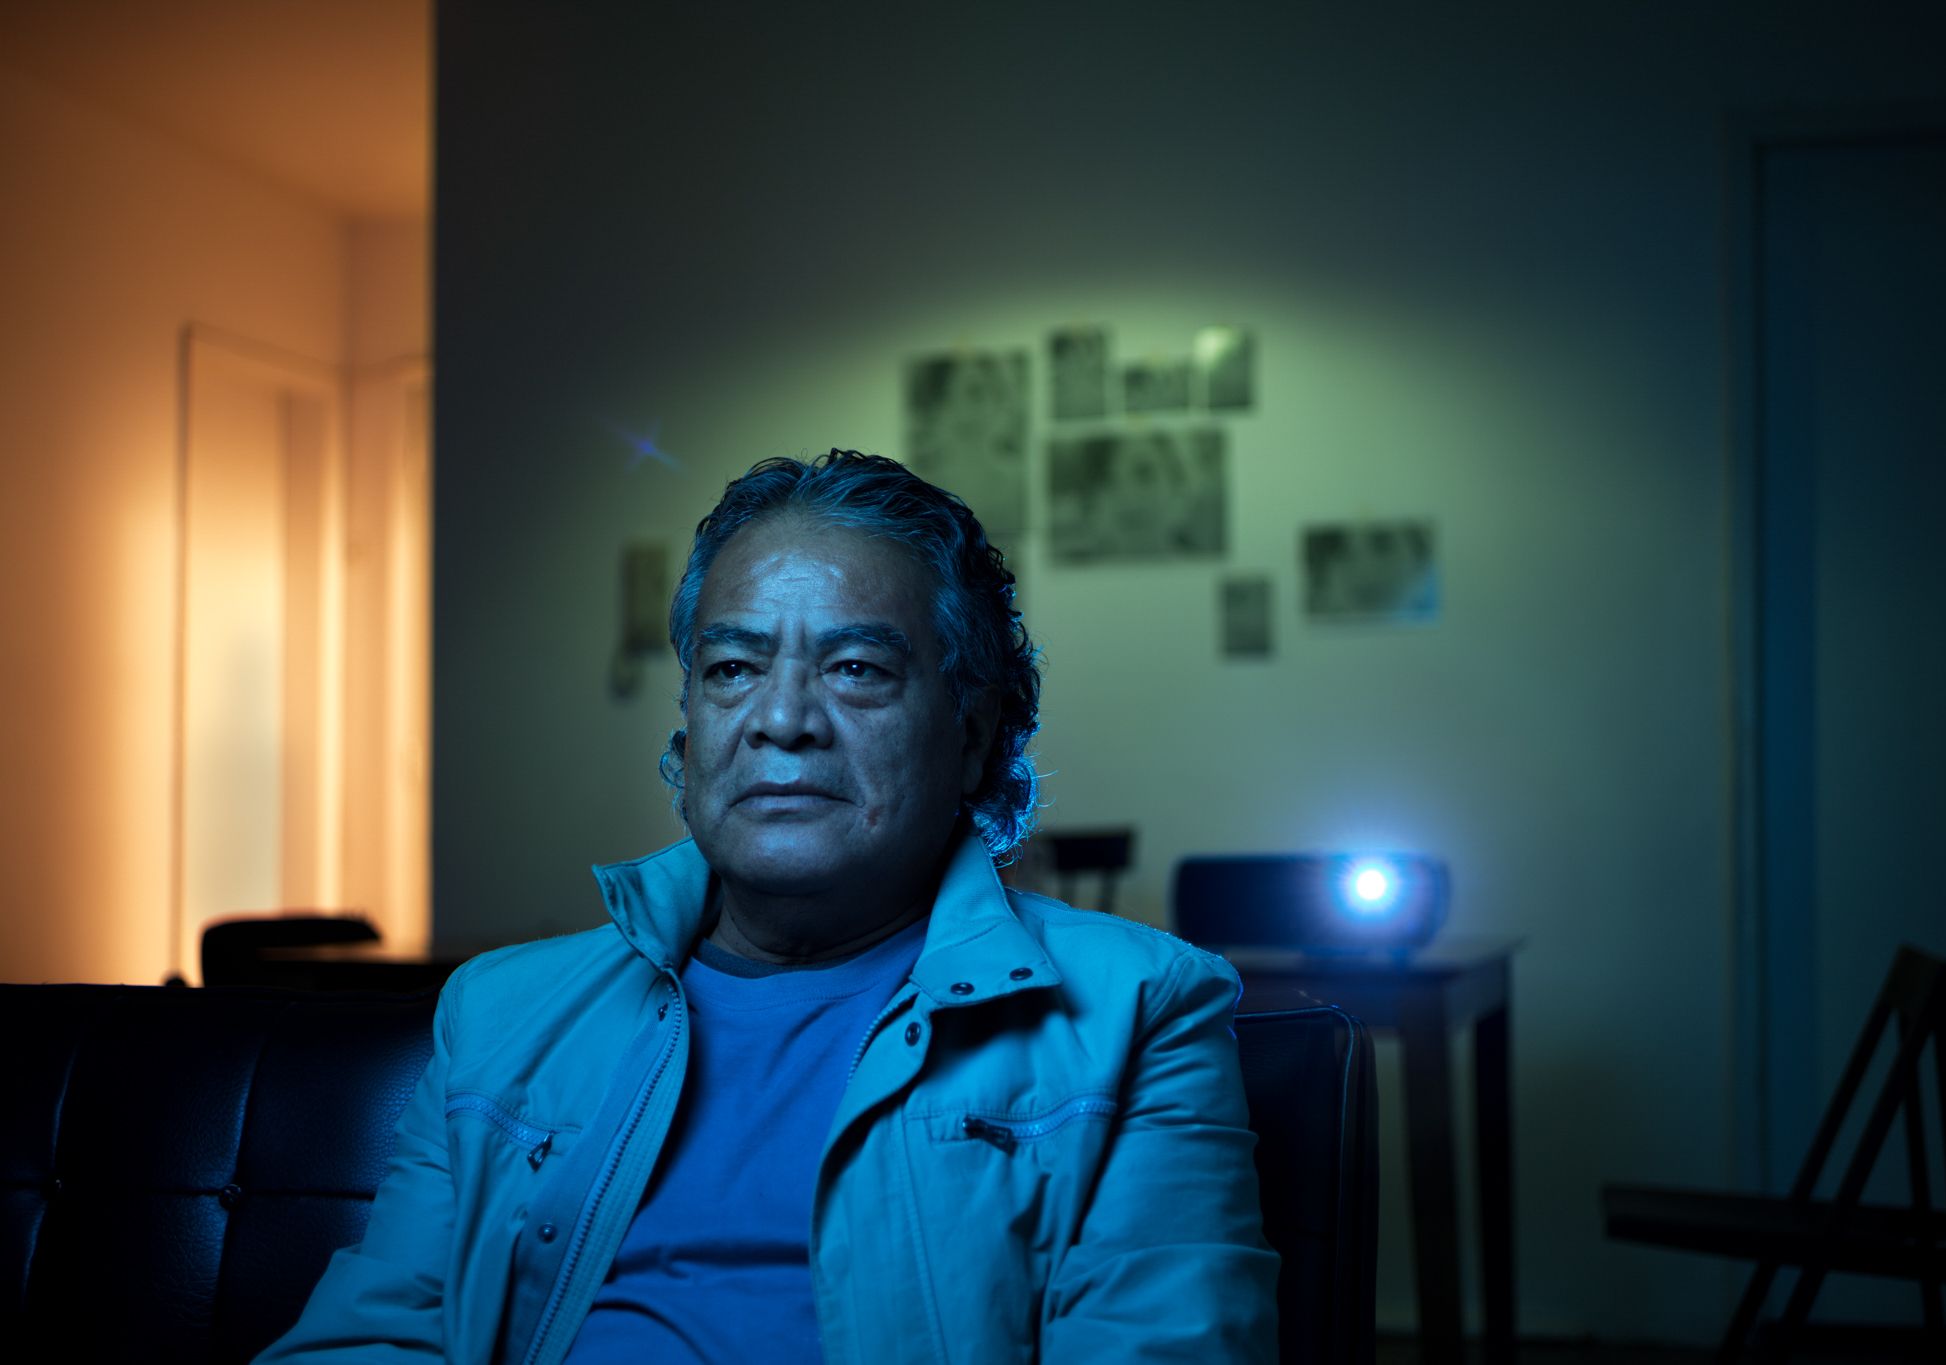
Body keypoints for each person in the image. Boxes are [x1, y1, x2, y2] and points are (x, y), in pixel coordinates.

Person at [260, 449, 1278, 1363]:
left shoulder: (1140, 1010)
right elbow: (369, 1340)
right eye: (734, 668)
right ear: (689, 729)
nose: (781, 719)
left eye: (856, 669)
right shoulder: (496, 1015)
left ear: (971, 737)